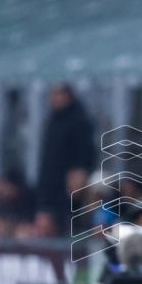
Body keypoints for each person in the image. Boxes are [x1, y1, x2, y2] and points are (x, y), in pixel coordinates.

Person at [37, 84, 96, 232]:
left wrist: (81, 171)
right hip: (51, 183)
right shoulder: (52, 120)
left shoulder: (80, 119)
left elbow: (86, 150)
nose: (54, 99)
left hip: (71, 184)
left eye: (58, 94)